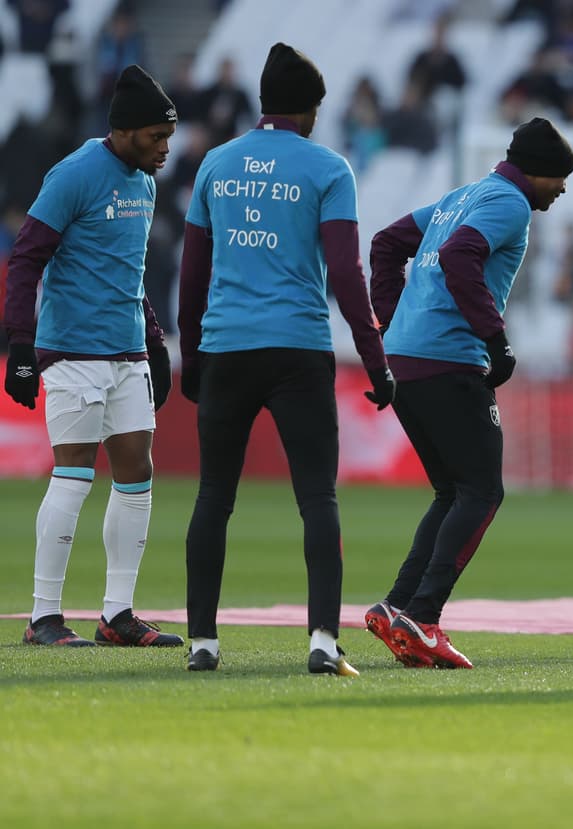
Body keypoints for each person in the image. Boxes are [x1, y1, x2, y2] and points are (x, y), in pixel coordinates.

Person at [178, 43, 395, 676]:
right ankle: (323, 641)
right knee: (317, 498)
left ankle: (202, 642)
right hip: (298, 348)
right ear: (311, 110)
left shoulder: (216, 165)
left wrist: (192, 356)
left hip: (225, 347)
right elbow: (347, 275)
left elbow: (193, 274)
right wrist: (375, 361)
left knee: (214, 495)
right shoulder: (328, 169)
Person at [363, 116, 573, 669]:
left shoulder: (462, 195)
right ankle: (425, 617)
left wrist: (393, 323)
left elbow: (386, 244)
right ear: (539, 173)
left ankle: (397, 608)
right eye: (560, 178)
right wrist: (496, 338)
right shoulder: (509, 202)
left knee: (451, 491)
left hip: (408, 360)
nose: (563, 189)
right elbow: (460, 257)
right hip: (449, 360)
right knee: (482, 491)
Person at [3, 64, 183, 649]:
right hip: (74, 350)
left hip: (126, 350)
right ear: (126, 131)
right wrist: (21, 345)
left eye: (168, 138)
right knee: (74, 476)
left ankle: (117, 615)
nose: (164, 149)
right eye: (156, 137)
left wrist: (154, 340)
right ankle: (43, 617)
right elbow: (25, 259)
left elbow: (128, 273)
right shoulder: (75, 174)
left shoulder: (145, 182)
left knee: (137, 476)